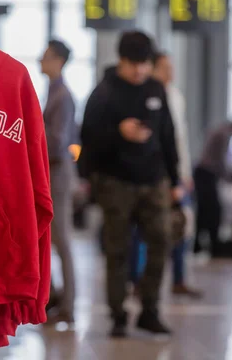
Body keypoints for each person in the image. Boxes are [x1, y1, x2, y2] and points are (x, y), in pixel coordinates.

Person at [80, 31, 182, 338]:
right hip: (116, 183)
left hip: (153, 181)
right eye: (133, 64)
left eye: (144, 64)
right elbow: (87, 142)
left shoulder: (156, 89)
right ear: (121, 61)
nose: (139, 71)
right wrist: (118, 133)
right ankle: (118, 315)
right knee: (118, 251)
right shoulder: (104, 93)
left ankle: (149, 310)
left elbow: (168, 136)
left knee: (162, 240)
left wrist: (175, 181)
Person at [151, 52, 201, 298]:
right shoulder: (148, 97)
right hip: (157, 175)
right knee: (149, 231)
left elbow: (180, 141)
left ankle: (179, 278)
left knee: (183, 226)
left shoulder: (176, 97)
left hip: (178, 173)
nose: (170, 73)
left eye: (171, 68)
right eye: (164, 68)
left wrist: (185, 173)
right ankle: (141, 281)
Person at [39, 39, 76, 324]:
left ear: (59, 61)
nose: (42, 59)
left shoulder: (62, 96)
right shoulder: (53, 92)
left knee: (61, 237)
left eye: (47, 56)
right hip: (50, 172)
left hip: (58, 173)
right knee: (49, 236)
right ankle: (51, 296)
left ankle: (69, 304)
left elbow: (58, 141)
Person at [193, 120, 232, 256]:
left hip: (203, 173)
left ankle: (199, 245)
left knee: (204, 210)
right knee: (214, 210)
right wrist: (229, 177)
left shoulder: (220, 129)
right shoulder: (225, 134)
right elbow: (221, 160)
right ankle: (213, 246)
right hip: (206, 174)